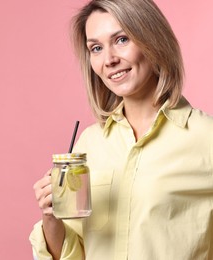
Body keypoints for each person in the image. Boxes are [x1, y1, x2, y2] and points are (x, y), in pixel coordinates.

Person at [29, 0, 213, 259]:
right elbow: (73, 253)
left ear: (152, 39)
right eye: (96, 48)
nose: (109, 60)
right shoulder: (89, 144)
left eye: (122, 40)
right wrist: (50, 217)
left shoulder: (207, 139)